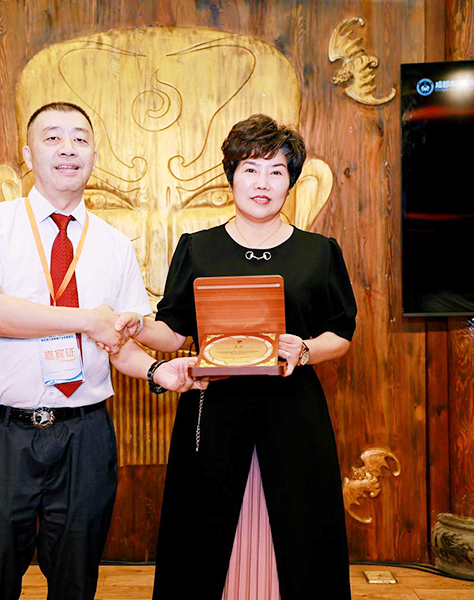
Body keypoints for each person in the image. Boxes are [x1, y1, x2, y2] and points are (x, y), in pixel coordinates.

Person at [0, 101, 205, 600]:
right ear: (28, 154)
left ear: (94, 156)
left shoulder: (113, 244)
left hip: (85, 436)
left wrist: (158, 372)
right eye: (53, 137)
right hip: (0, 437)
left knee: (76, 585)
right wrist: (87, 319)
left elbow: (118, 343)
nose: (68, 149)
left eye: (80, 139)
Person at [119, 114, 357, 598]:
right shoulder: (198, 248)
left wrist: (305, 349)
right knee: (200, 536)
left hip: (294, 410)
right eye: (250, 169)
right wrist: (138, 326)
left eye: (276, 171)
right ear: (231, 176)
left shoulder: (319, 252)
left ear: (291, 180)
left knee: (303, 533)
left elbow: (342, 333)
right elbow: (173, 331)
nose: (262, 183)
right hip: (212, 409)